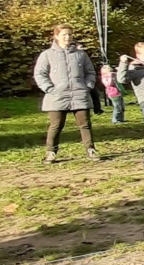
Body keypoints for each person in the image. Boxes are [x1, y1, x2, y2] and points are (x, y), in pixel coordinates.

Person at [33, 24, 99, 164]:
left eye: (70, 34)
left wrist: (87, 85)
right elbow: (40, 74)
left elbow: (90, 72)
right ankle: (51, 152)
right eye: (64, 34)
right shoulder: (47, 55)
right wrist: (49, 88)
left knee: (85, 124)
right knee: (56, 125)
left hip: (79, 94)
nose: (68, 37)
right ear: (56, 36)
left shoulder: (81, 54)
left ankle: (91, 149)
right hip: (57, 96)